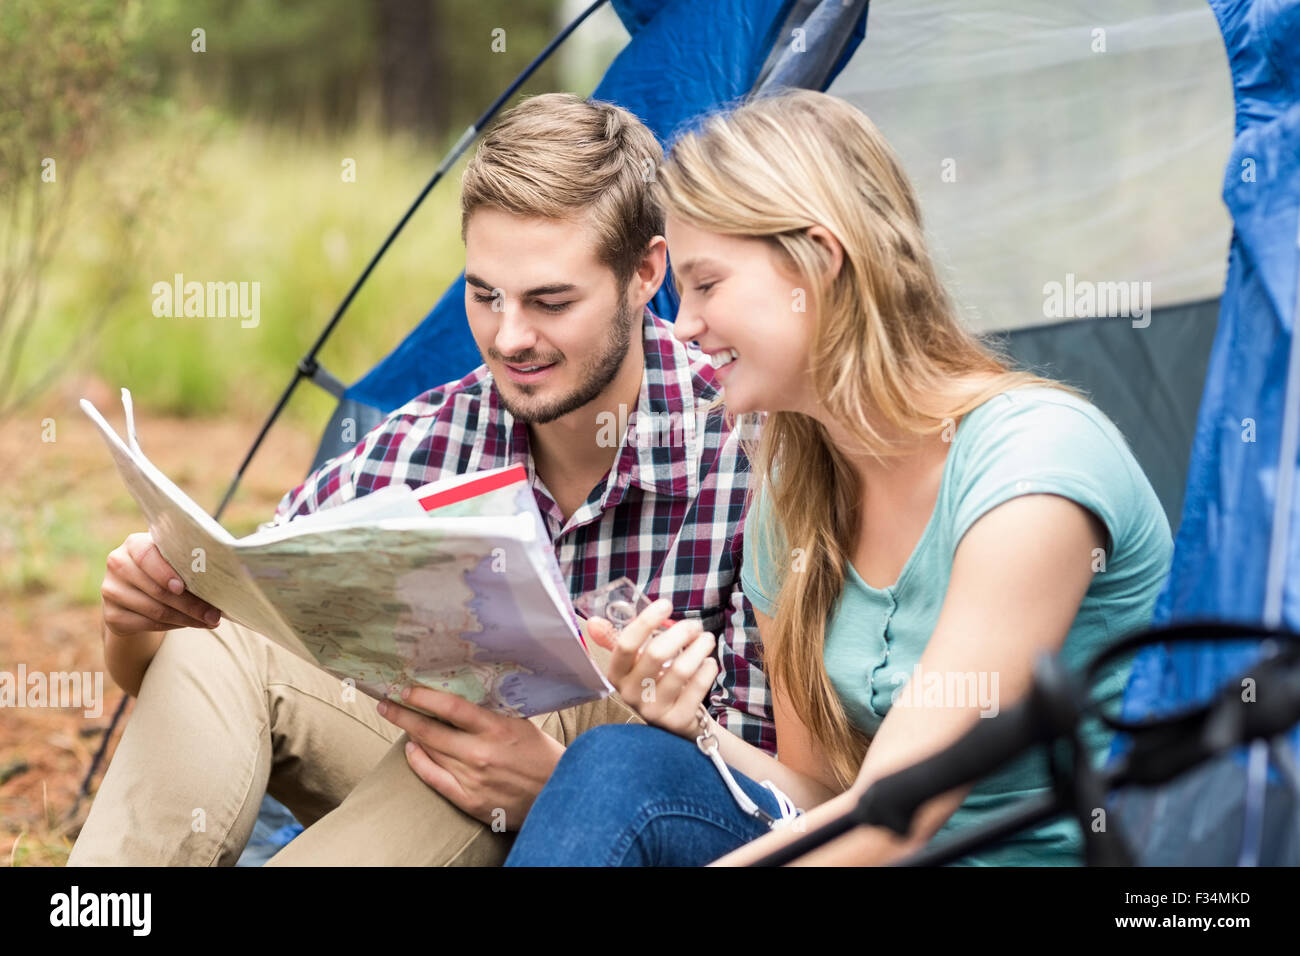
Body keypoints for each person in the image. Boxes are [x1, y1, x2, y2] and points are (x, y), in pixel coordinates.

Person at [69, 93, 774, 867]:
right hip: (439, 773)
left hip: (640, 823)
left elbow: (788, 805)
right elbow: (180, 663)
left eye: (550, 301)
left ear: (645, 273)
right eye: (483, 295)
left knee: (496, 732)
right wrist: (137, 622)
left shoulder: (746, 452)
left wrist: (564, 789)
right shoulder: (429, 440)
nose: (509, 338)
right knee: (229, 638)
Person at [503, 89, 1174, 867]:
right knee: (622, 762)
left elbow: (898, 817)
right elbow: (823, 798)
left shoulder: (1035, 465)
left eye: (708, 284)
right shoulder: (794, 498)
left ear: (819, 261)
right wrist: (698, 730)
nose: (682, 325)